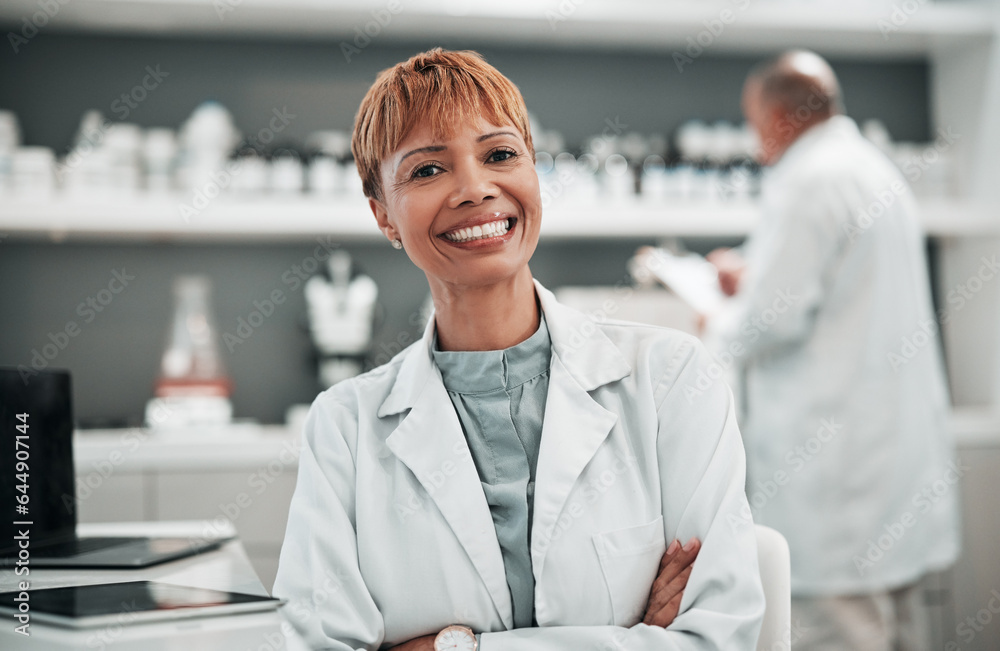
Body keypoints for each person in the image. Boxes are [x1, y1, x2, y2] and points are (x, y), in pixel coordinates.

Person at [273, 48, 764, 650]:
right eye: (428, 170)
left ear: (536, 173)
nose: (475, 189)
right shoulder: (345, 429)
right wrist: (624, 638)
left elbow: (720, 638)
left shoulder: (671, 379)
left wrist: (455, 647)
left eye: (500, 154)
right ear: (384, 216)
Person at [705, 50, 960, 650]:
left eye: (754, 121)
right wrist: (756, 273)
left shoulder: (808, 179)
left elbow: (770, 322)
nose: (754, 137)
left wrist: (716, 316)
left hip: (836, 479)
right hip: (886, 461)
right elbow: (837, 281)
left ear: (778, 118)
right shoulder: (867, 167)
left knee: (835, 632)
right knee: (899, 629)